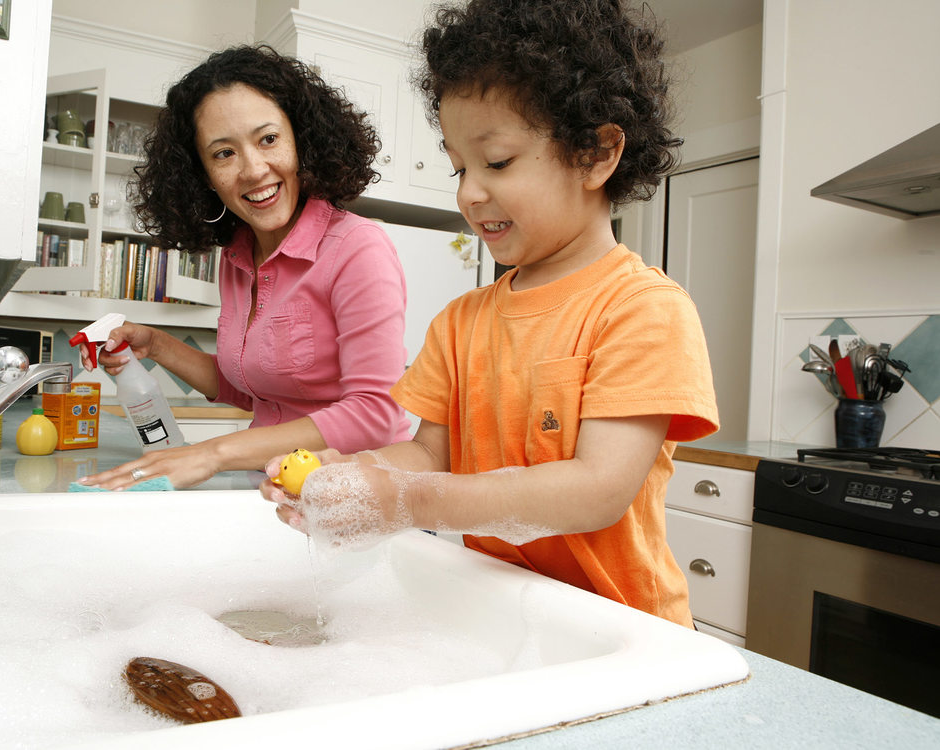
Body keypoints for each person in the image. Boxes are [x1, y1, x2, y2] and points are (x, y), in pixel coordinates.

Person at [262, 0, 719, 627]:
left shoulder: (644, 310)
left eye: (497, 161)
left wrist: (407, 501)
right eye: (459, 166)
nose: (469, 193)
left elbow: (597, 492)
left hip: (621, 630)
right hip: (497, 611)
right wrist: (348, 476)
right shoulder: (460, 321)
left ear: (596, 153)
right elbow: (428, 457)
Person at [78, 45, 411, 491]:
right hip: (278, 490)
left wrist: (212, 453)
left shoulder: (357, 247)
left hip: (361, 499)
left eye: (268, 139)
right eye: (224, 153)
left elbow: (374, 414)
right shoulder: (238, 256)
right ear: (203, 175)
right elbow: (254, 387)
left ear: (302, 139)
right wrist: (155, 343)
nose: (254, 170)